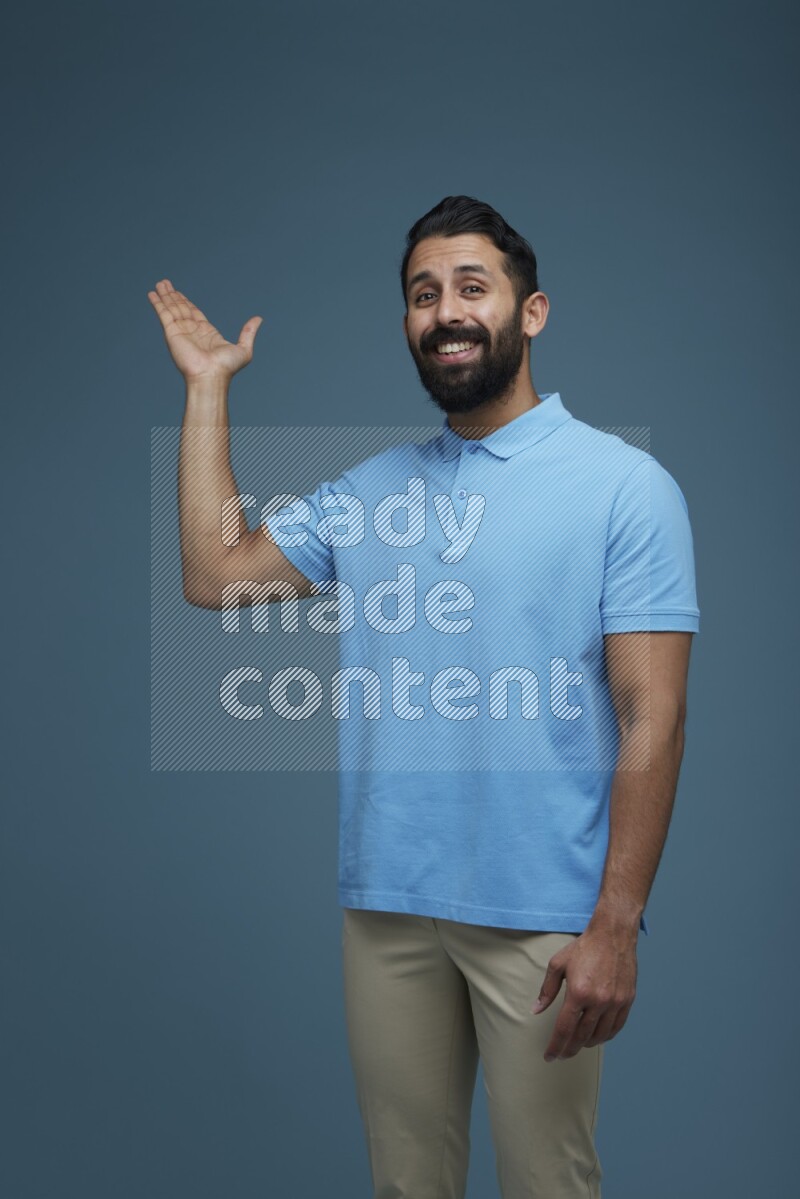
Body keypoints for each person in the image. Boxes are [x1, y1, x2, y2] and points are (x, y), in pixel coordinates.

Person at [147, 194, 700, 1198]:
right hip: (388, 905)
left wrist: (614, 922)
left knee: (548, 1183)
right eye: (421, 293)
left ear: (529, 313)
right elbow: (212, 574)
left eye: (470, 287)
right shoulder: (369, 490)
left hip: (544, 919)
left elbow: (650, 715)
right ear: (407, 322)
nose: (444, 309)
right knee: (404, 1184)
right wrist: (206, 388)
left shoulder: (624, 487)